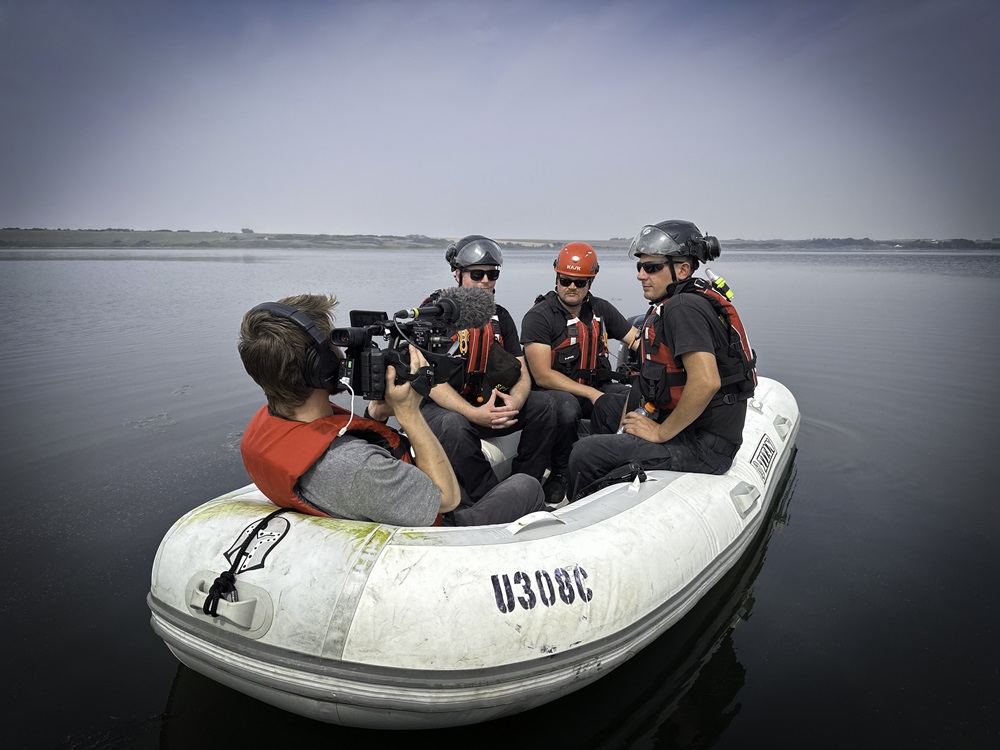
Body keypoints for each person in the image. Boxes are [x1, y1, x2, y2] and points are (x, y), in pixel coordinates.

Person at [238, 293, 544, 526]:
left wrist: (378, 413)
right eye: (332, 346)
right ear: (319, 367)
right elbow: (446, 499)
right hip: (436, 531)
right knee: (526, 486)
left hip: (380, 503)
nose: (340, 353)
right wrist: (409, 413)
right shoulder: (356, 467)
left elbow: (353, 448)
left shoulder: (267, 426)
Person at [567, 220, 757, 501]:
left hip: (704, 445)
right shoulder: (679, 301)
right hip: (691, 428)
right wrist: (626, 432)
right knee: (608, 406)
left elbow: (706, 382)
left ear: (682, 269)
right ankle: (611, 486)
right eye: (639, 267)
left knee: (586, 452)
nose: (641, 275)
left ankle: (581, 514)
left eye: (652, 267)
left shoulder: (683, 307)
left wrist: (659, 433)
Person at [420, 235, 558, 504]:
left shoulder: (501, 316)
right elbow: (432, 381)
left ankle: (526, 485)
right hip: (443, 408)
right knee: (454, 425)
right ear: (458, 274)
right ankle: (487, 498)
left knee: (547, 405)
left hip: (486, 401)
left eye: (492, 274)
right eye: (477, 274)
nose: (485, 281)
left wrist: (515, 401)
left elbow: (521, 368)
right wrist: (473, 413)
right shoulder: (434, 316)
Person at [520, 242, 638, 503]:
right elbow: (541, 374)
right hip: (555, 392)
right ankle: (561, 472)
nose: (572, 287)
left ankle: (613, 463)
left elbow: (636, 339)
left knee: (628, 399)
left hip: (595, 385)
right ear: (556, 277)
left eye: (580, 282)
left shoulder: (600, 310)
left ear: (590, 282)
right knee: (567, 407)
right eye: (566, 280)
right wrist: (592, 394)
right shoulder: (539, 317)